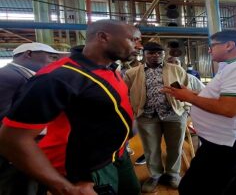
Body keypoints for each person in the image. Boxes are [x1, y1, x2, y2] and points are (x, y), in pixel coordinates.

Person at [0, 20, 143, 195]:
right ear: (103, 37)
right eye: (133, 40)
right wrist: (63, 186)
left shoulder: (110, 68)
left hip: (117, 156)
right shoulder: (57, 77)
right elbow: (12, 140)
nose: (139, 46)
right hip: (86, 170)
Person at [163, 30, 236, 195]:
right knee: (235, 186)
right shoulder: (235, 66)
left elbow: (229, 108)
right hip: (227, 139)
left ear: (229, 45)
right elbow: (220, 98)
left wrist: (189, 98)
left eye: (212, 46)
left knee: (193, 188)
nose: (209, 50)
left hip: (229, 142)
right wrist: (191, 94)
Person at [124, 42, 189, 193]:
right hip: (146, 117)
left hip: (174, 114)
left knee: (175, 147)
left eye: (159, 53)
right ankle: (155, 175)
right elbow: (125, 94)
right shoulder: (132, 73)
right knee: (151, 149)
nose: (155, 56)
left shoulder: (176, 69)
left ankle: (172, 174)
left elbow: (186, 89)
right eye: (151, 53)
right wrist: (134, 112)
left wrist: (185, 109)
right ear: (144, 54)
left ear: (164, 54)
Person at [0, 42, 64, 195]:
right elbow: (3, 117)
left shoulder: (25, 76)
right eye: (51, 57)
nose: (53, 61)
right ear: (28, 54)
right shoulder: (7, 76)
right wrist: (14, 150)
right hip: (16, 153)